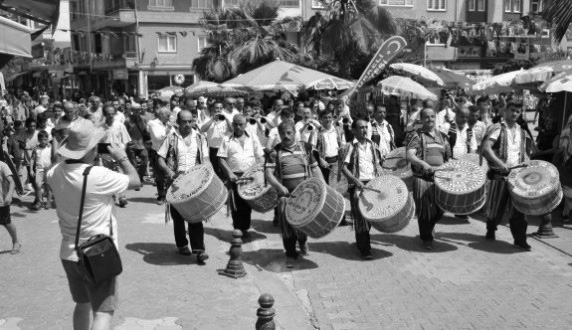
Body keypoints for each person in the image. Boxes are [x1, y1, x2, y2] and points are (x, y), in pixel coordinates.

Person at [47, 119, 140, 330]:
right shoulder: (98, 176)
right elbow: (135, 181)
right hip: (97, 253)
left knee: (82, 304)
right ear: (90, 150)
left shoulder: (54, 173)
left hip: (68, 252)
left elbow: (57, 163)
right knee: (103, 311)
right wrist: (122, 157)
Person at [265, 119, 323, 268]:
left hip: (306, 195)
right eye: (283, 133)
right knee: (287, 227)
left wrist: (323, 187)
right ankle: (290, 253)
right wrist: (278, 186)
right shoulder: (274, 152)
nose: (286, 136)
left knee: (303, 224)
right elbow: (268, 173)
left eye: (289, 132)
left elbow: (315, 168)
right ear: (278, 134)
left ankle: (303, 242)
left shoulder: (306, 148)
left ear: (295, 133)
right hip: (286, 197)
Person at [157, 110, 210, 264]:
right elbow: (160, 159)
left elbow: (206, 159)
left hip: (194, 180)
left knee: (195, 215)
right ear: (178, 123)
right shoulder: (171, 138)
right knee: (178, 216)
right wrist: (169, 171)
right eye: (184, 122)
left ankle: (199, 249)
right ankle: (181, 244)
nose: (187, 124)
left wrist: (208, 175)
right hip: (176, 181)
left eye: (190, 121)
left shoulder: (200, 138)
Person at [482, 101, 534, 250]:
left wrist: (527, 162)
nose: (515, 114)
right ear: (505, 111)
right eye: (512, 110)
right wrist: (499, 163)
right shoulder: (498, 129)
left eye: (518, 111)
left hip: (517, 176)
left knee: (519, 209)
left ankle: (520, 239)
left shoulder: (522, 131)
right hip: (499, 174)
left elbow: (524, 152)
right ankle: (491, 228)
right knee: (495, 206)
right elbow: (486, 148)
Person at [406, 108, 451, 250]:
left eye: (432, 116)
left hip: (440, 180)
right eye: (427, 117)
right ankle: (427, 239)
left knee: (441, 209)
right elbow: (410, 155)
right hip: (423, 179)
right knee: (425, 211)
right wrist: (423, 164)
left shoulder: (443, 137)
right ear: (421, 119)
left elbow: (448, 158)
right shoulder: (417, 136)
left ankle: (429, 228)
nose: (430, 119)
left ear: (436, 118)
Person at [341, 119, 384, 259]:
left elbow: (377, 165)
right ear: (353, 130)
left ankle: (361, 242)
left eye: (366, 127)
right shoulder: (350, 147)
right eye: (361, 127)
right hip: (359, 185)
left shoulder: (373, 145)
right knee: (361, 218)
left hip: (372, 183)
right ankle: (365, 250)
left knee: (371, 217)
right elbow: (344, 168)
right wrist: (355, 180)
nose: (364, 130)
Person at [218, 115, 265, 238]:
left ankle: (245, 228)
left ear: (246, 125)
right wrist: (230, 173)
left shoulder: (253, 138)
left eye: (241, 124)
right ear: (232, 124)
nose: (238, 127)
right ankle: (238, 228)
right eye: (236, 124)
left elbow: (260, 156)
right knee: (236, 204)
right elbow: (221, 159)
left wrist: (259, 171)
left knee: (248, 203)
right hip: (235, 176)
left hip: (251, 175)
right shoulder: (226, 139)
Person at [100, 105, 132, 208]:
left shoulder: (120, 125)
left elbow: (125, 140)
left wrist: (123, 152)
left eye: (112, 113)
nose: (110, 116)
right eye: (108, 114)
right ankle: (112, 196)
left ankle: (122, 197)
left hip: (118, 154)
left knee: (121, 176)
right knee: (109, 177)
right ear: (104, 114)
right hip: (106, 156)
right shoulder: (100, 127)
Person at [147, 107, 172, 205]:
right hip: (157, 152)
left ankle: (169, 195)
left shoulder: (169, 124)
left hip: (170, 152)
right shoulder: (152, 123)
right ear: (161, 115)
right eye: (167, 115)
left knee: (170, 173)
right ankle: (161, 195)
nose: (169, 117)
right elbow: (158, 137)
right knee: (160, 176)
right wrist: (168, 129)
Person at [313, 109, 346, 183]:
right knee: (327, 185)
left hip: (337, 161)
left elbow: (343, 144)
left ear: (332, 118)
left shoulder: (337, 130)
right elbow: (313, 149)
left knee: (337, 184)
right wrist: (321, 160)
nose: (328, 119)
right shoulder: (317, 131)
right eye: (325, 117)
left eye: (329, 117)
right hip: (324, 163)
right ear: (321, 119)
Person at [201, 101, 232, 180]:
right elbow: (202, 129)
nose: (218, 110)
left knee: (224, 171)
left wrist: (227, 119)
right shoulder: (208, 119)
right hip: (212, 149)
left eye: (220, 108)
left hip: (224, 149)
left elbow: (232, 130)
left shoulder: (226, 120)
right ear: (213, 109)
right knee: (214, 171)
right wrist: (212, 119)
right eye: (217, 108)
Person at [125, 104, 150, 185]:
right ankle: (137, 181)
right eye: (135, 110)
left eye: (139, 109)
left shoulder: (144, 119)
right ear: (132, 111)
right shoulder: (127, 120)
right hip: (131, 145)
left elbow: (148, 131)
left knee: (145, 161)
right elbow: (124, 133)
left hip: (142, 144)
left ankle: (139, 177)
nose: (138, 111)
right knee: (133, 164)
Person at [0, 156, 19, 254]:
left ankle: (15, 241)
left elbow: (12, 182)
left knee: (7, 223)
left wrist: (9, 195)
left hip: (2, 201)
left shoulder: (2, 165)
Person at [30, 130, 54, 210]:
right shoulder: (36, 148)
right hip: (39, 170)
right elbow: (32, 159)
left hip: (48, 169)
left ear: (47, 139)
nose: (43, 141)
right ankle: (40, 202)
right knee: (38, 186)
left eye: (45, 139)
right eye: (41, 140)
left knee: (48, 186)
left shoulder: (50, 147)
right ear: (39, 140)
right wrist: (31, 170)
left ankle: (48, 202)